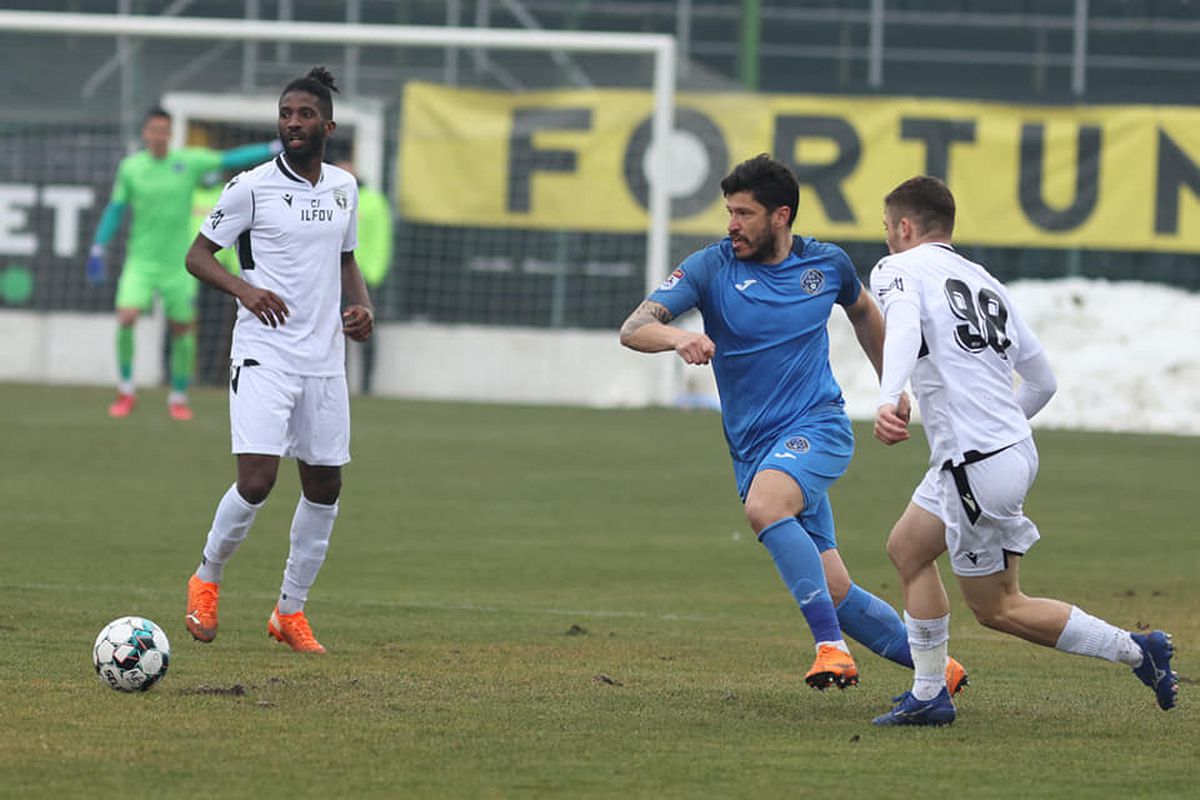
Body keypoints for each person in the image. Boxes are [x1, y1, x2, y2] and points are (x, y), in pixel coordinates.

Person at [619, 154, 967, 694]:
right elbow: (635, 327)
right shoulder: (710, 268)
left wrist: (891, 388)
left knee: (765, 507)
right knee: (834, 589)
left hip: (818, 427)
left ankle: (830, 648)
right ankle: (939, 670)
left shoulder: (826, 265)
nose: (731, 224)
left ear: (781, 216)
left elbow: (864, 311)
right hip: (753, 449)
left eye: (744, 213)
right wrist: (679, 337)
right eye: (729, 212)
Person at [867, 175, 1177, 726]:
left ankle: (1137, 649)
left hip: (977, 463)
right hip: (995, 454)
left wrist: (892, 398)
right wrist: (1002, 431)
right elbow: (1043, 382)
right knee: (908, 549)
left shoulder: (898, 268)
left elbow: (904, 325)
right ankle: (927, 693)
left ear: (905, 227)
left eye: (889, 230)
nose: (887, 240)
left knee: (998, 606)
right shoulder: (985, 281)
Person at [182, 66, 374, 654]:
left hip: (323, 361)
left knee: (324, 486)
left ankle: (290, 611)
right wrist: (246, 290)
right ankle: (206, 578)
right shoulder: (250, 187)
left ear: (328, 126)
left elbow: (346, 259)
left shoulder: (344, 188)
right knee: (258, 480)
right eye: (286, 114)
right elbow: (197, 256)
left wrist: (361, 305)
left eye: (304, 115)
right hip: (264, 354)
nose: (293, 123)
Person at [86, 107, 281, 421]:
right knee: (126, 317)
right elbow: (116, 208)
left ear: (171, 133)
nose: (159, 136)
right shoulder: (131, 168)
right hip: (142, 262)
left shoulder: (187, 162)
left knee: (182, 328)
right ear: (145, 133)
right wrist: (98, 245)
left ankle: (178, 396)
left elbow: (229, 159)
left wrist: (270, 149)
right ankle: (126, 391)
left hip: (179, 264)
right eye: (154, 130)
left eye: (164, 130)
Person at [335, 159, 393, 394]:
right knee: (336, 328)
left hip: (364, 277)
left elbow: (381, 238)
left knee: (365, 327)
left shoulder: (373, 201)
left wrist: (374, 273)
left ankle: (367, 385)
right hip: (334, 275)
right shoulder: (331, 197)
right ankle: (340, 380)